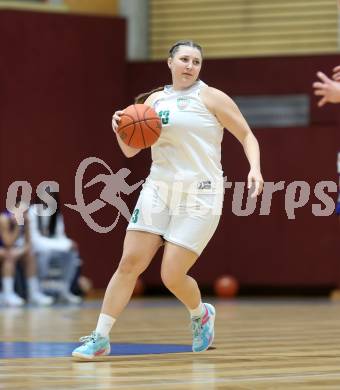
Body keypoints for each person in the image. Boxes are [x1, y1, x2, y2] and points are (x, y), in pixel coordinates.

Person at [72, 40, 264, 360]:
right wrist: (120, 128)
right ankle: (101, 337)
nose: (190, 65)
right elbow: (131, 150)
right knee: (129, 263)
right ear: (170, 62)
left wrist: (255, 168)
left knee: (170, 275)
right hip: (158, 190)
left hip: (201, 193)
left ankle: (200, 313)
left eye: (196, 61)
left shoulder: (212, 97)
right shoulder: (154, 101)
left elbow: (247, 135)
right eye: (185, 59)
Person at [28, 192, 82, 304]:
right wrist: (64, 245)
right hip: (36, 249)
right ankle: (38, 291)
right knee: (45, 253)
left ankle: (64, 290)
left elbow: (60, 237)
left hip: (53, 248)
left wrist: (68, 243)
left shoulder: (56, 215)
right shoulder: (32, 212)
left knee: (71, 252)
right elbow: (35, 240)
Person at [0, 202, 53, 307]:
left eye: (25, 213)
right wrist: (18, 227)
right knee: (9, 258)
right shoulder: (4, 219)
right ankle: (8, 294)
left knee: (30, 256)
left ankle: (33, 293)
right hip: (4, 250)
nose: (22, 215)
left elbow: (28, 244)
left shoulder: (26, 221)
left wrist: (19, 252)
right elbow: (8, 242)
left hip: (9, 251)